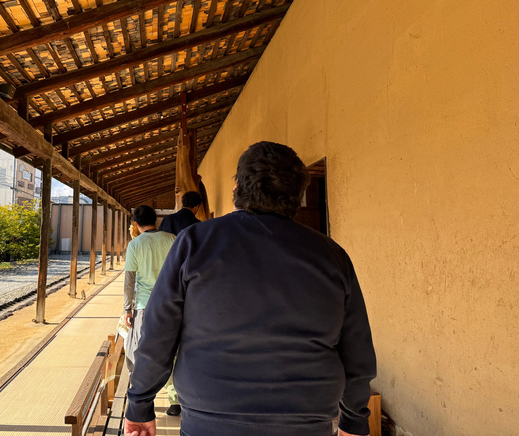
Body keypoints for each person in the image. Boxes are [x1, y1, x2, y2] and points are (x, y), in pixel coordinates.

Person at [124, 141, 377, 436]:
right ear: (297, 195)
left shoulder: (195, 243)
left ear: (236, 189)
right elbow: (357, 347)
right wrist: (354, 420)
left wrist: (140, 403)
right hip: (306, 420)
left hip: (210, 418)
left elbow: (158, 332)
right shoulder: (332, 256)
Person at [123, 205, 180, 415]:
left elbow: (129, 281)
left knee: (140, 352)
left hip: (145, 307)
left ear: (136, 225)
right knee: (172, 351)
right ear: (155, 220)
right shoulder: (172, 239)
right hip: (170, 305)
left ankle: (145, 400)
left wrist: (127, 309)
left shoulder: (135, 244)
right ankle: (175, 401)